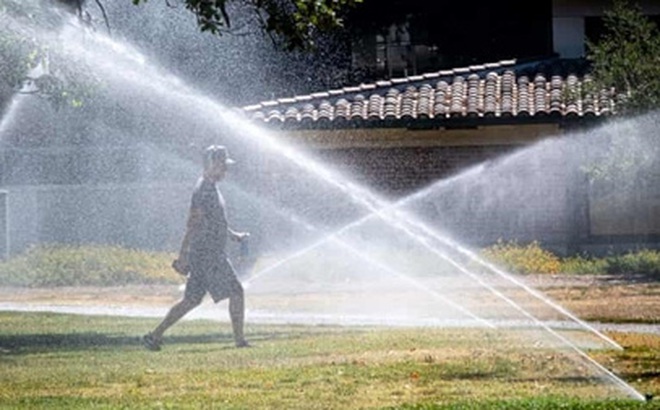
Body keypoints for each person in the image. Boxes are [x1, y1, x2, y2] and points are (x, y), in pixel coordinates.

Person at [143, 145, 250, 351]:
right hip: (208, 254)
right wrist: (183, 255)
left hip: (204, 254)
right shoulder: (203, 190)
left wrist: (234, 235)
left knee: (191, 300)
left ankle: (154, 336)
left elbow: (218, 221)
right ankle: (239, 341)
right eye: (222, 166)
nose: (225, 171)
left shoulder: (211, 188)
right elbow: (193, 224)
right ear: (211, 164)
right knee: (236, 292)